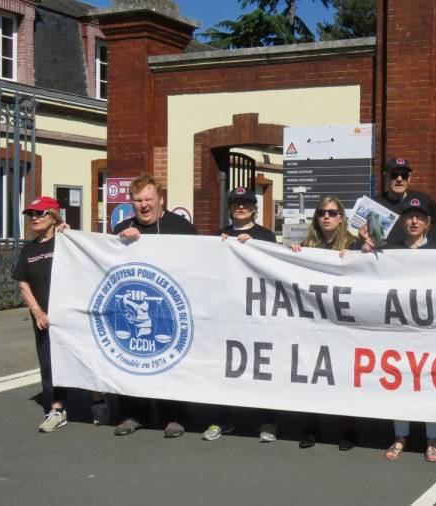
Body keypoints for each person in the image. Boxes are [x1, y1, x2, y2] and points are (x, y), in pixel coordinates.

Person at [111, 174, 198, 439]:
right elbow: (106, 262)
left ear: (161, 199)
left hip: (171, 308)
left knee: (170, 364)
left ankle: (174, 415)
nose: (143, 205)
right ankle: (135, 414)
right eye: (137, 200)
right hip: (133, 306)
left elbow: (201, 261)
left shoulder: (181, 227)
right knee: (133, 360)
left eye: (148, 199)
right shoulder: (124, 228)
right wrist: (119, 241)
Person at [13, 196, 105, 431]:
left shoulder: (66, 241)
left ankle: (99, 403)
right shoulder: (29, 249)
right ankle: (56, 409)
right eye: (31, 214)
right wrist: (37, 312)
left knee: (83, 357)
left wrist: (70, 234)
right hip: (44, 317)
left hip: (71, 314)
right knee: (49, 363)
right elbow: (23, 283)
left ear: (54, 217)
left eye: (40, 213)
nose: (34, 217)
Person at [363, 196, 436, 462]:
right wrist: (364, 251)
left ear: (428, 223)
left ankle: (433, 439)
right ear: (403, 220)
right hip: (399, 330)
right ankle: (400, 437)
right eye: (409, 216)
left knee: (430, 383)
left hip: (430, 330)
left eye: (419, 217)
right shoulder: (390, 250)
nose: (414, 221)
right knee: (400, 382)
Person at [202, 186, 279, 442]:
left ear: (254, 207)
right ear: (230, 208)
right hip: (226, 313)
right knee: (221, 367)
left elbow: (275, 270)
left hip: (257, 314)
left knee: (260, 368)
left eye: (246, 203)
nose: (241, 207)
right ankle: (220, 420)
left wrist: (256, 248)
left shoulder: (265, 236)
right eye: (236, 203)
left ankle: (266, 422)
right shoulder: (219, 236)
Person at [289, 196, 359, 450]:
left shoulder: (353, 243)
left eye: (332, 212)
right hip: (314, 323)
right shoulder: (307, 245)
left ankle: (348, 429)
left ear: (341, 217)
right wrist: (293, 255)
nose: (326, 217)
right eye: (321, 212)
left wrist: (357, 255)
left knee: (343, 374)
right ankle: (311, 428)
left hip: (343, 323)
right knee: (312, 373)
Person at [371, 157, 436, 243]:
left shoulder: (423, 199)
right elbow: (362, 234)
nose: (399, 179)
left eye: (404, 175)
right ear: (386, 176)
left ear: (409, 178)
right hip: (386, 255)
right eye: (394, 175)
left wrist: (430, 241)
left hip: (415, 254)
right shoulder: (374, 203)